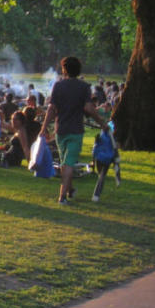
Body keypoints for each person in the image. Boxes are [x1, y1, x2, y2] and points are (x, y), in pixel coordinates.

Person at [41, 56, 108, 205]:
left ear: (64, 69)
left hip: (60, 130)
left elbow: (52, 109)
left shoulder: (58, 86)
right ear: (79, 70)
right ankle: (62, 196)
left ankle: (70, 190)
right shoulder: (84, 87)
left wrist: (44, 127)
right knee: (69, 163)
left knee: (66, 162)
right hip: (75, 130)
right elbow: (88, 108)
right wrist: (102, 123)